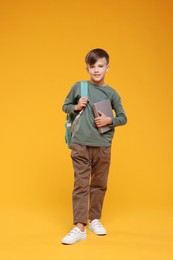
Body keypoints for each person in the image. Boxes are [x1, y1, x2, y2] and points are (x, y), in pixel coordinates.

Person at [61, 48, 127, 244]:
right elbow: (64, 106)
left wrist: (109, 120)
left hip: (103, 145)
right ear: (87, 68)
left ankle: (94, 219)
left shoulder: (112, 93)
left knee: (99, 184)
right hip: (80, 143)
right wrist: (76, 106)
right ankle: (79, 226)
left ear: (107, 68)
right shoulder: (79, 87)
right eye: (92, 66)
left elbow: (123, 118)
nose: (96, 70)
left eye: (100, 66)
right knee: (80, 184)